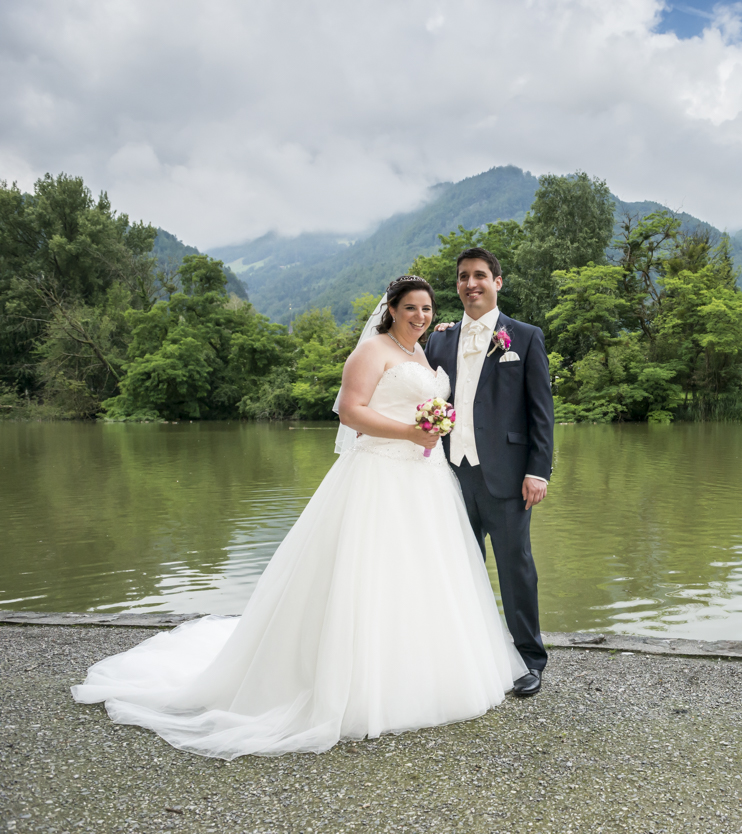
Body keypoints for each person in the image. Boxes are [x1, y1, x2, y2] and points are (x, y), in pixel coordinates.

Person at [72, 277, 527, 760]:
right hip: (379, 475)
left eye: (427, 308)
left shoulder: (423, 356)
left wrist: (430, 431)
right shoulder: (371, 352)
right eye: (411, 308)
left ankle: (427, 672)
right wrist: (408, 432)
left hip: (426, 478)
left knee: (420, 574)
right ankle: (354, 686)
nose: (420, 315)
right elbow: (350, 413)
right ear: (391, 309)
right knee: (366, 574)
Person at [424, 247, 555, 697]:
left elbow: (542, 413)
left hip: (508, 474)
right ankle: (468, 656)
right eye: (463, 277)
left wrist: (539, 470)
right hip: (448, 474)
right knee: (460, 566)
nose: (470, 283)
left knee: (515, 567)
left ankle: (529, 659)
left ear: (498, 282)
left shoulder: (525, 337)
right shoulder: (439, 339)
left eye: (480, 275)